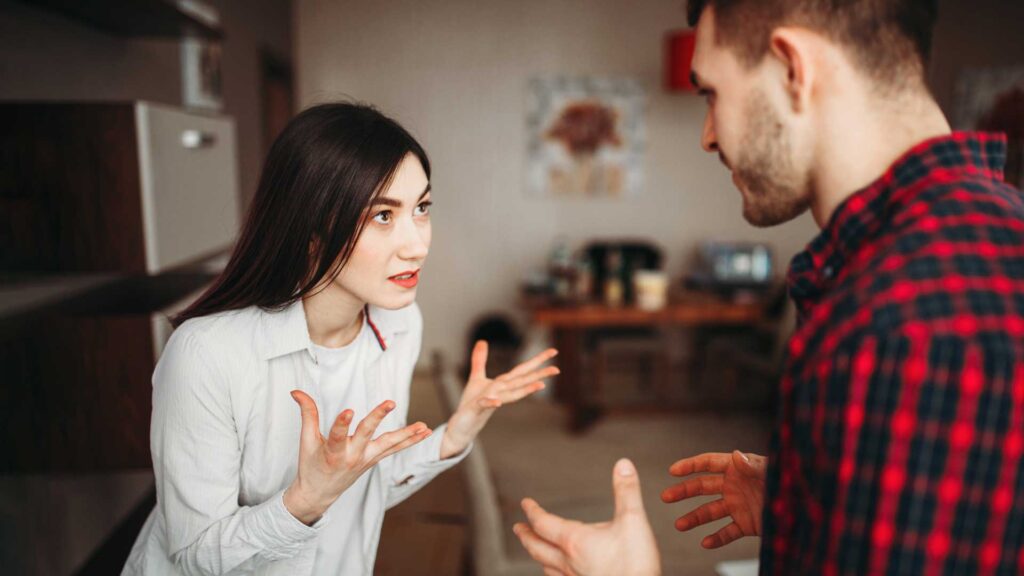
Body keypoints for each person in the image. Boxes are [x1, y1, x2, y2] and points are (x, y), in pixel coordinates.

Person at [514, 0, 1024, 574]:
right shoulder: (993, 229)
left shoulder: (895, 328)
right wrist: (807, 505)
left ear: (792, 70)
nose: (707, 136)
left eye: (710, 93)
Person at [122, 103, 559, 575]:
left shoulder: (399, 324)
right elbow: (192, 557)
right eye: (383, 216)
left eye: (422, 208)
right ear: (310, 227)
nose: (418, 244)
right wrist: (304, 503)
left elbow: (365, 486)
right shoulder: (207, 354)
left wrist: (455, 433)